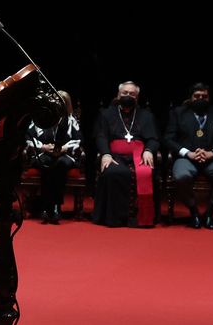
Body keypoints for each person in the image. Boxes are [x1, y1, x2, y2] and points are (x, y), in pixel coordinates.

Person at [163, 82, 213, 229]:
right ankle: (194, 211)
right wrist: (187, 153)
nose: (201, 99)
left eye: (204, 96)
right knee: (181, 176)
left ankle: (211, 211)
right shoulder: (178, 113)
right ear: (191, 98)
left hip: (212, 159)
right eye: (197, 96)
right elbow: (168, 138)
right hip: (187, 158)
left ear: (209, 98)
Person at [91, 80, 159, 227]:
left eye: (132, 94)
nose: (128, 95)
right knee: (113, 173)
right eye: (125, 93)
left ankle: (142, 217)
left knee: (148, 173)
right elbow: (101, 136)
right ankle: (115, 218)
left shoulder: (146, 115)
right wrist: (105, 154)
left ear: (137, 97)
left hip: (139, 156)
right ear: (118, 95)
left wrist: (148, 151)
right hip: (115, 156)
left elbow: (153, 138)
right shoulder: (106, 114)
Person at [25, 90, 81, 224]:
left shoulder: (71, 120)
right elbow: (28, 137)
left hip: (65, 155)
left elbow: (78, 139)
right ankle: (49, 207)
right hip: (42, 153)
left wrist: (62, 148)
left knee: (59, 164)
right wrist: (42, 147)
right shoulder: (39, 118)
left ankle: (54, 206)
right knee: (47, 164)